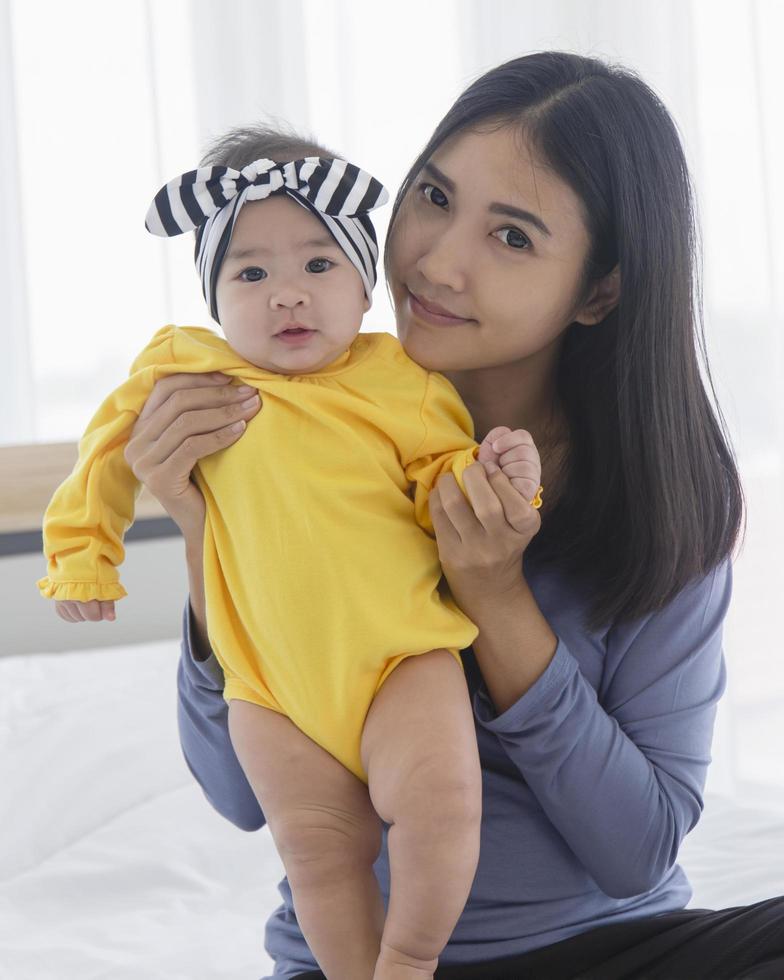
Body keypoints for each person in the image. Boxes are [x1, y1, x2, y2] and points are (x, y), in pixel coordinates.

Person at [122, 52, 784, 980]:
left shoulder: (665, 496)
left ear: (600, 290)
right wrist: (204, 533)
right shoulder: (285, 428)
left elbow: (640, 849)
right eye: (433, 198)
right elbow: (237, 794)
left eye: (511, 238)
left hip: (617, 951)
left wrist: (497, 595)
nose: (436, 261)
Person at [36, 126, 543, 980]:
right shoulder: (184, 371)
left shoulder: (400, 382)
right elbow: (100, 457)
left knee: (444, 804)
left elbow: (442, 477)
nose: (287, 297)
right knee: (316, 851)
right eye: (251, 273)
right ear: (214, 296)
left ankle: (409, 962)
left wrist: (503, 479)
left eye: (318, 265)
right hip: (267, 681)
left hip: (398, 654)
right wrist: (86, 555)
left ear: (364, 285)